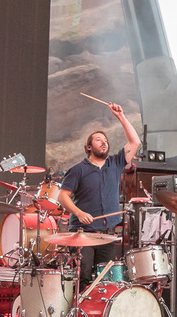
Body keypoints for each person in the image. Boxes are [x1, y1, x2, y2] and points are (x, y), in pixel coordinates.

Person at [57, 102, 141, 283]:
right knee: (83, 278)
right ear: (89, 147)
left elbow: (135, 142)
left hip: (107, 234)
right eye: (98, 140)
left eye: (105, 140)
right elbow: (62, 196)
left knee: (105, 280)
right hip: (83, 232)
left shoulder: (115, 163)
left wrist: (121, 116)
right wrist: (79, 213)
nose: (104, 142)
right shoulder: (78, 170)